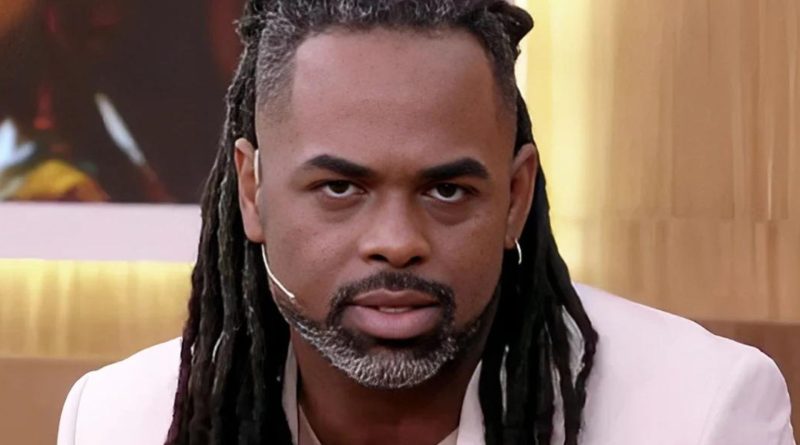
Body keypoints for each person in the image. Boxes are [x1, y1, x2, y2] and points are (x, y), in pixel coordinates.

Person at [56, 1, 795, 444]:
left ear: (515, 195)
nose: (398, 242)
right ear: (254, 191)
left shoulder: (701, 412)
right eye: (340, 187)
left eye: (446, 190)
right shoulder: (119, 419)